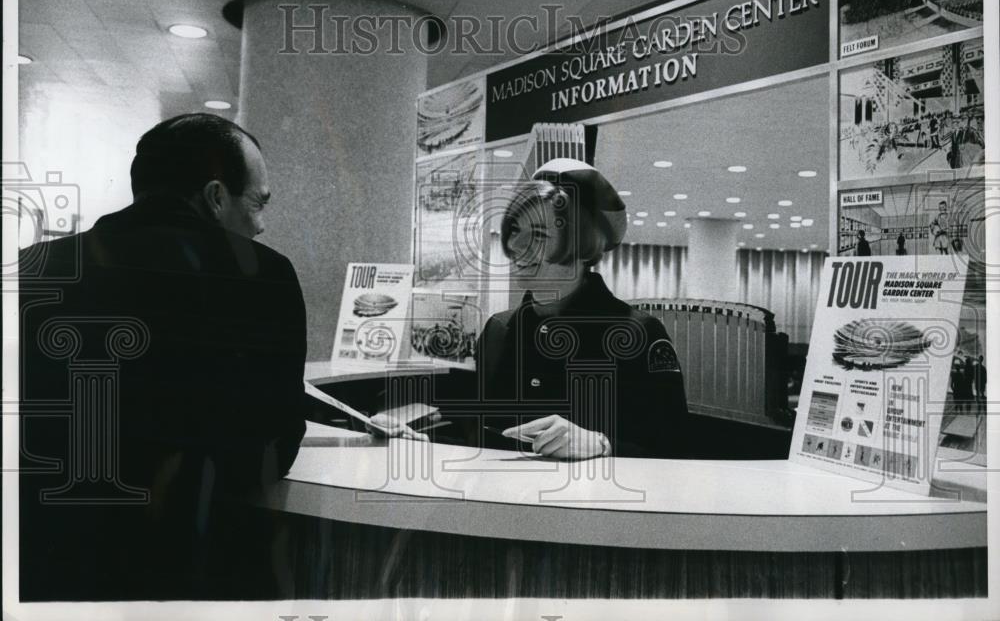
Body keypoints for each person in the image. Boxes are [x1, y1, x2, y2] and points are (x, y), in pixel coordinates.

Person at [18, 114, 415, 600]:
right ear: (215, 196)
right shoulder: (263, 277)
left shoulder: (33, 268)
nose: (262, 224)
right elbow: (272, 448)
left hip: (44, 561)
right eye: (258, 203)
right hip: (198, 570)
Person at [440, 159, 688, 460]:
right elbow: (469, 429)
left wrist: (601, 444)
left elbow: (674, 448)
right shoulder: (499, 330)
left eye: (540, 235)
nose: (517, 245)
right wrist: (416, 436)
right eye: (515, 229)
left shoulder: (638, 333)